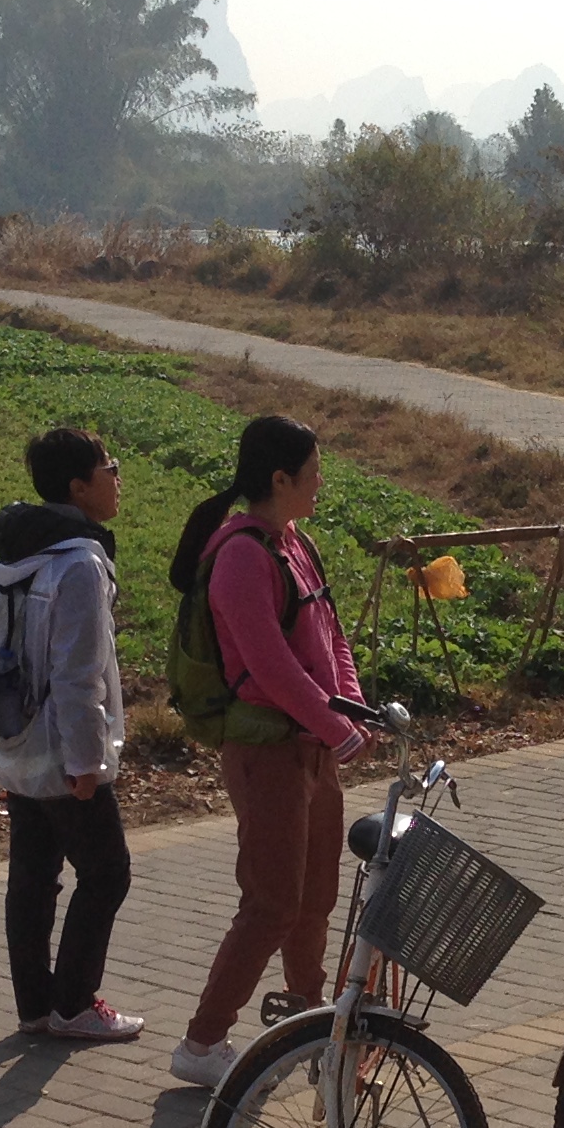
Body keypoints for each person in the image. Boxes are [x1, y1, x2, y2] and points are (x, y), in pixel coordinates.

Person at [166, 415, 372, 1090]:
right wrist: (336, 726)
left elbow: (331, 635)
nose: (320, 485)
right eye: (312, 474)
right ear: (280, 479)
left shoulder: (295, 543)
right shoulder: (240, 556)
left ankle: (312, 1027)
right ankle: (202, 1043)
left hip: (312, 748)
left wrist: (349, 707)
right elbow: (270, 666)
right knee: (271, 903)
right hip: (267, 751)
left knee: (314, 900)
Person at [0, 425, 141, 1043]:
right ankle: (74, 1005)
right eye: (110, 469)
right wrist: (86, 763)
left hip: (18, 739)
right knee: (107, 872)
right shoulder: (79, 563)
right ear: (79, 487)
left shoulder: (17, 555)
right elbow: (78, 675)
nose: (118, 479)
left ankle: (35, 1006)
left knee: (32, 876)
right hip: (61, 749)